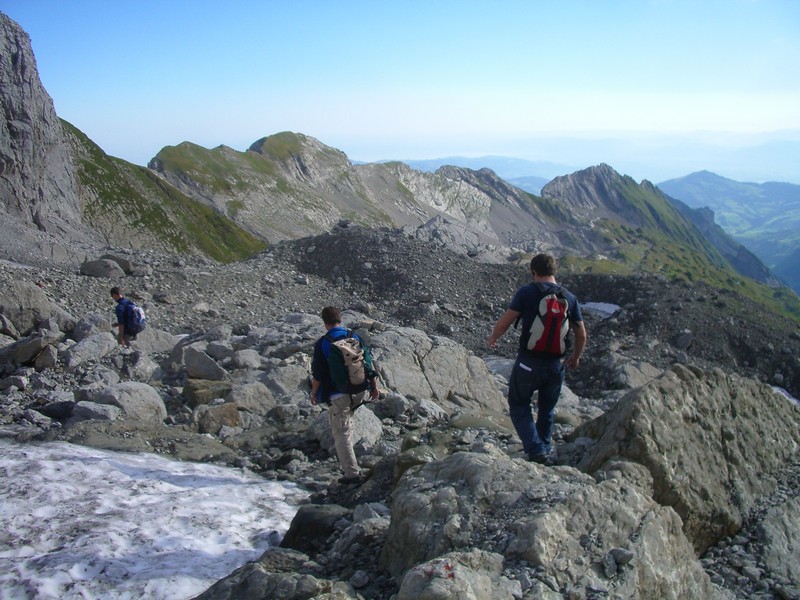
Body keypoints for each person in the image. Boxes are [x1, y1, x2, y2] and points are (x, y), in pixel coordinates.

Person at [487, 254, 587, 465]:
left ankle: (535, 450)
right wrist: (575, 357)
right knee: (547, 410)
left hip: (528, 362)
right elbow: (581, 334)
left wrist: (494, 337)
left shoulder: (527, 292)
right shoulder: (569, 298)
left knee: (518, 403)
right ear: (554, 272)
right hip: (556, 364)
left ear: (534, 272)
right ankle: (544, 449)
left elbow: (507, 321)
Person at [310, 306, 380, 484]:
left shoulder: (323, 343)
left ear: (324, 322)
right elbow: (368, 362)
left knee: (341, 434)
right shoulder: (354, 336)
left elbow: (318, 374)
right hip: (359, 389)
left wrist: (314, 392)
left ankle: (352, 475)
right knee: (348, 423)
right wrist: (374, 386)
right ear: (340, 319)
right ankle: (356, 460)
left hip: (338, 394)